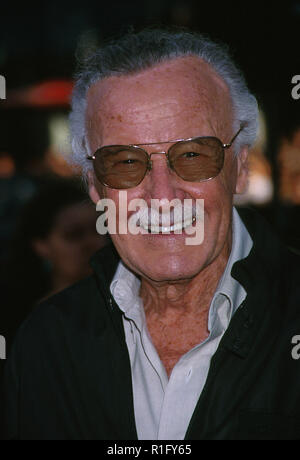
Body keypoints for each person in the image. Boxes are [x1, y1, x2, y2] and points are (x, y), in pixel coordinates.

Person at [1, 28, 300, 441]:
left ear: (241, 167)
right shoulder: (45, 346)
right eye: (124, 162)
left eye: (193, 155)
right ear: (94, 185)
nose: (161, 196)